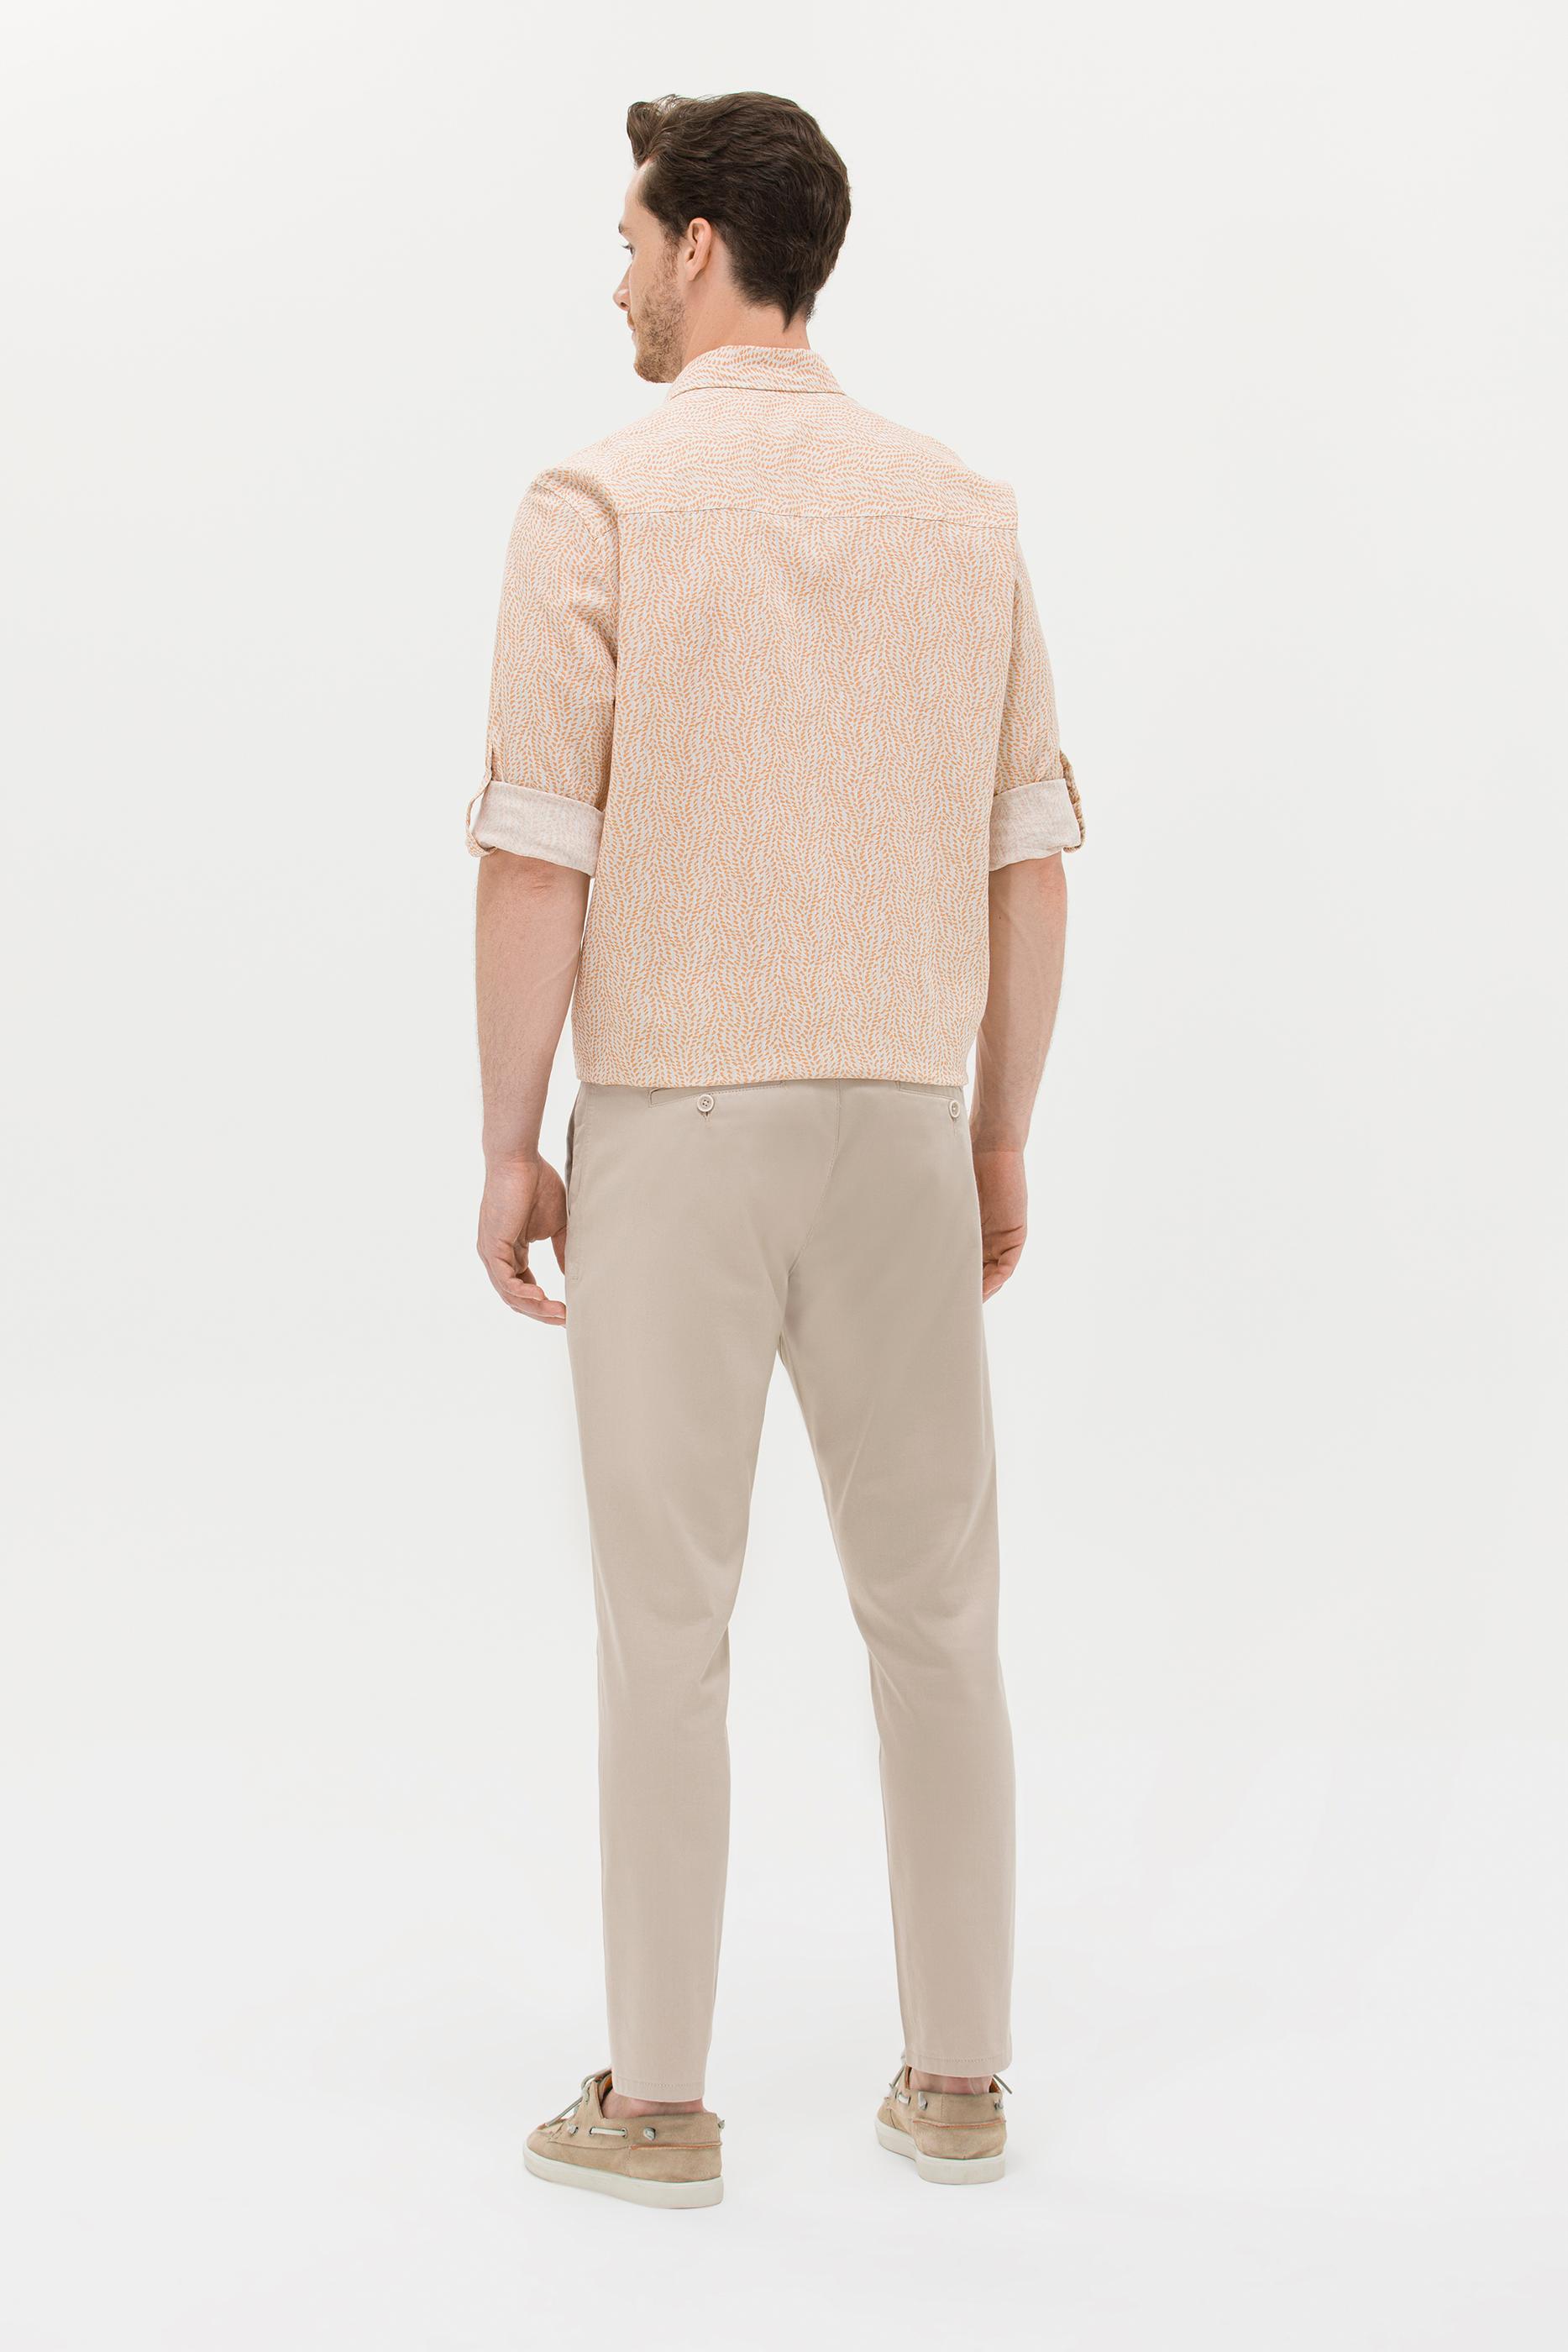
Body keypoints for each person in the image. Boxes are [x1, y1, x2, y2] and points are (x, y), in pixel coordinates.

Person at [469, 89, 1083, 2208]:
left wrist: (508, 1137)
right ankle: (960, 2079)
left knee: (668, 1623)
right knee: (939, 1612)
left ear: (705, 245)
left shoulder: (597, 501)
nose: (617, 280)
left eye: (630, 240)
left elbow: (535, 858)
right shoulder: (963, 511)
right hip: (900, 1119)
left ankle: (656, 2106)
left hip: (676, 1118)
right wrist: (996, 1126)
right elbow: (1030, 862)